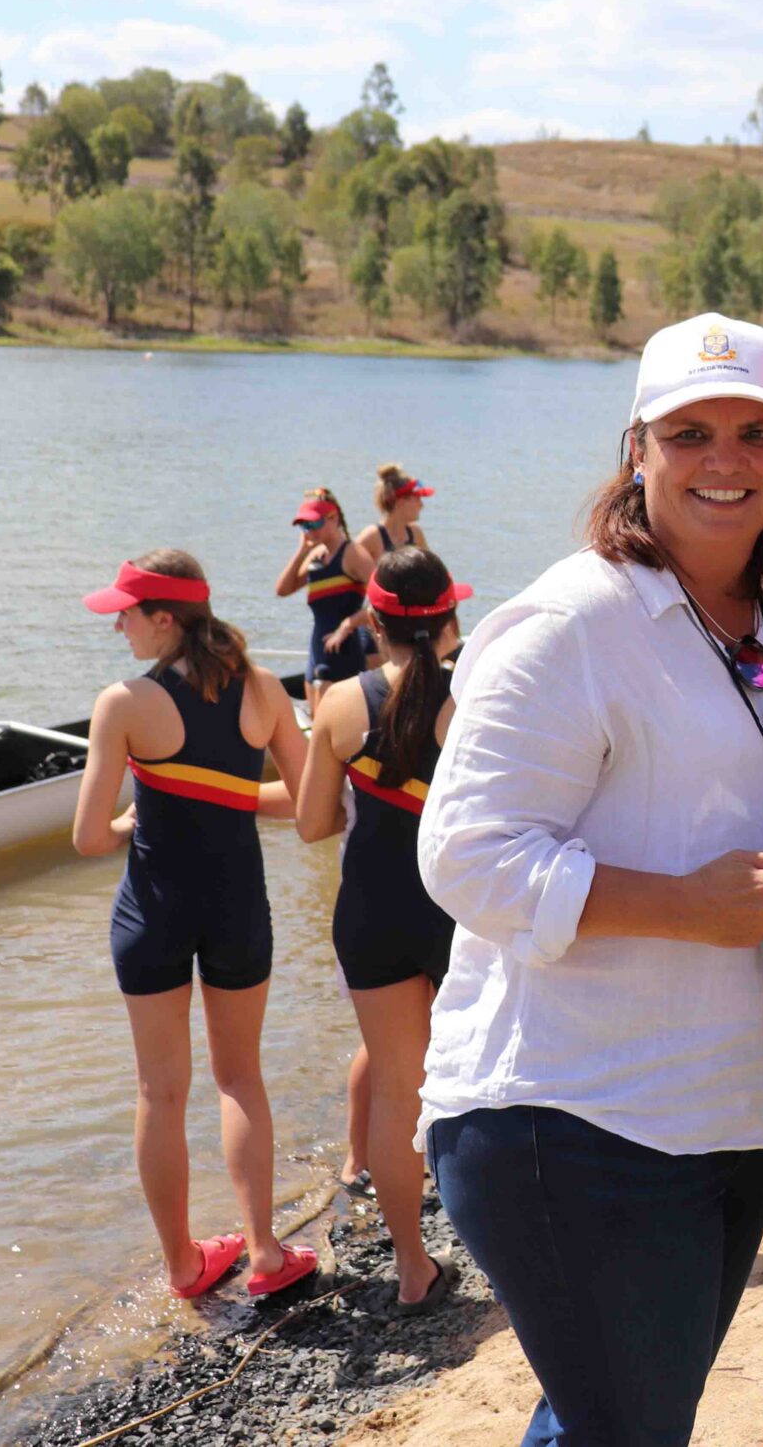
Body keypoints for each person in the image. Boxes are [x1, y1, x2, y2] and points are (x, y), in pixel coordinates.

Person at [414, 312, 763, 1444]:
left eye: (756, 433)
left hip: (722, 1102)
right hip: (574, 1112)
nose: (724, 461)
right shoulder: (575, 621)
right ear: (636, 449)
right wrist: (686, 906)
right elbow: (463, 853)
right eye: (690, 433)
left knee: (610, 1423)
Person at [70, 552, 314, 1302]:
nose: (117, 626)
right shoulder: (264, 689)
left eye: (125, 614)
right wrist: (230, 797)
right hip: (236, 904)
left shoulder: (124, 703)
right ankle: (266, 1254)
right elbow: (312, 805)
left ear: (164, 618)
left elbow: (88, 837)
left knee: (160, 1093)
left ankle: (183, 1265)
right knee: (240, 1079)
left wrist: (131, 819)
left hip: (152, 913)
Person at [295, 546, 473, 1314]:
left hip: (371, 910)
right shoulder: (475, 695)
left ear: (372, 620)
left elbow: (312, 824)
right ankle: (510, 1233)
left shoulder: (340, 702)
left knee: (398, 1090)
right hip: (459, 905)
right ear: (451, 618)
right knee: (490, 1075)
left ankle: (411, 1268)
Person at [274, 488, 371, 694]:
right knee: (316, 715)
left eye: (314, 523)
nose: (309, 531)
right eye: (304, 525)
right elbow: (283, 589)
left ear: (333, 518)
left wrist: (348, 625)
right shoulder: (316, 555)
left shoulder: (353, 553)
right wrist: (302, 550)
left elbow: (383, 600)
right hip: (316, 653)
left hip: (344, 652)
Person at [345, 463, 433, 586]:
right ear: (401, 501)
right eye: (417, 499)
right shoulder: (373, 536)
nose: (421, 505)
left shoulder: (415, 533)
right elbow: (344, 566)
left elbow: (433, 572)